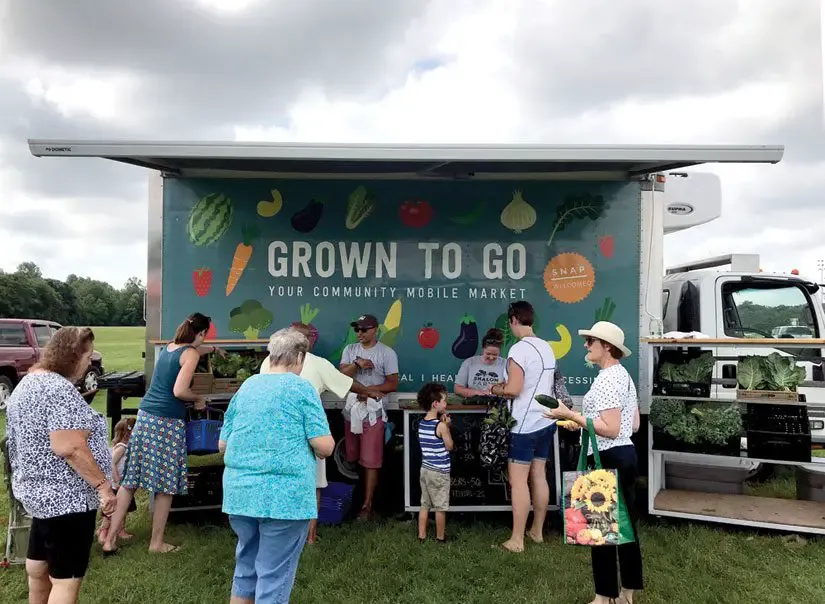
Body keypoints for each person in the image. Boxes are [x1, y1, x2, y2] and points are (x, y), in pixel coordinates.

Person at [220, 328, 334, 604]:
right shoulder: (302, 388)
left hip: (240, 495)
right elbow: (325, 445)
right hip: (286, 499)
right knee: (274, 576)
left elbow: (223, 445)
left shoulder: (247, 386)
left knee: (246, 569)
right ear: (299, 357)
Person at [5, 326, 116, 604]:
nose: (90, 361)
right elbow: (70, 446)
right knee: (65, 580)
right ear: (71, 355)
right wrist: (103, 488)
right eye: (87, 355)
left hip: (39, 497)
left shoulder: (28, 383)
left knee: (39, 570)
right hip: (67, 501)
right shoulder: (58, 389)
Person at [103, 312, 221, 555]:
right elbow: (179, 390)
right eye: (205, 336)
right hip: (166, 422)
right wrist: (198, 398)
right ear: (200, 333)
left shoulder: (171, 347)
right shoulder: (189, 354)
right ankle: (156, 544)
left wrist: (213, 348)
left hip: (145, 416)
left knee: (130, 481)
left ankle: (109, 539)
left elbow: (194, 350)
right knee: (166, 484)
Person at [547, 321, 643, 604]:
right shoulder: (623, 376)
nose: (586, 345)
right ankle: (627, 595)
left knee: (601, 531)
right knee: (626, 530)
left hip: (606, 457)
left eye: (591, 341)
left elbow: (610, 428)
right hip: (624, 454)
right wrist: (578, 423)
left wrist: (573, 416)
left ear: (607, 347)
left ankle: (603, 598)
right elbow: (632, 424)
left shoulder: (606, 380)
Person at [259, 324, 383, 544]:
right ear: (305, 343)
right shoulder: (316, 363)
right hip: (308, 433)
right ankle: (310, 538)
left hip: (273, 433)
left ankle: (279, 535)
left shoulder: (268, 362)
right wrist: (367, 391)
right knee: (313, 485)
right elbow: (344, 382)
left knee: (278, 484)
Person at [489, 301, 557, 553]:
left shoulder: (518, 350)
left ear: (514, 320)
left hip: (524, 424)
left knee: (518, 482)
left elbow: (514, 390)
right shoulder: (547, 347)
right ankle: (537, 531)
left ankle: (516, 540)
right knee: (539, 475)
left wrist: (496, 388)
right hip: (546, 419)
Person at [339, 313, 399, 519]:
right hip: (351, 410)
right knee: (352, 456)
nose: (359, 333)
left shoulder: (386, 353)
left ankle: (368, 505)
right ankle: (356, 498)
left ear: (375, 330)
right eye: (357, 329)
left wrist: (369, 390)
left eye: (364, 329)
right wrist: (357, 365)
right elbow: (340, 378)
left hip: (373, 412)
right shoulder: (350, 350)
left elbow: (392, 383)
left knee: (372, 460)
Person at [416, 383, 454, 543]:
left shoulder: (422, 423)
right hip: (439, 472)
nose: (446, 404)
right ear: (435, 404)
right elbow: (450, 446)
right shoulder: (440, 426)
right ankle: (440, 537)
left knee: (424, 504)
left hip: (425, 469)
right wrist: (447, 426)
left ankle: (422, 535)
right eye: (444, 401)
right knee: (440, 507)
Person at [98, 417, 137, 544]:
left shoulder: (120, 446)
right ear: (128, 433)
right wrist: (117, 481)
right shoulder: (122, 448)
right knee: (118, 510)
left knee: (115, 511)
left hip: (118, 483)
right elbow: (112, 464)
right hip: (118, 485)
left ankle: (106, 532)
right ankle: (114, 531)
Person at [454, 328, 508, 397]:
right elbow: (457, 389)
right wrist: (477, 392)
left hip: (497, 404)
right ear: (483, 349)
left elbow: (511, 389)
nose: (491, 357)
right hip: (473, 404)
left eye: (495, 355)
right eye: (488, 354)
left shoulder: (505, 364)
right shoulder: (469, 363)